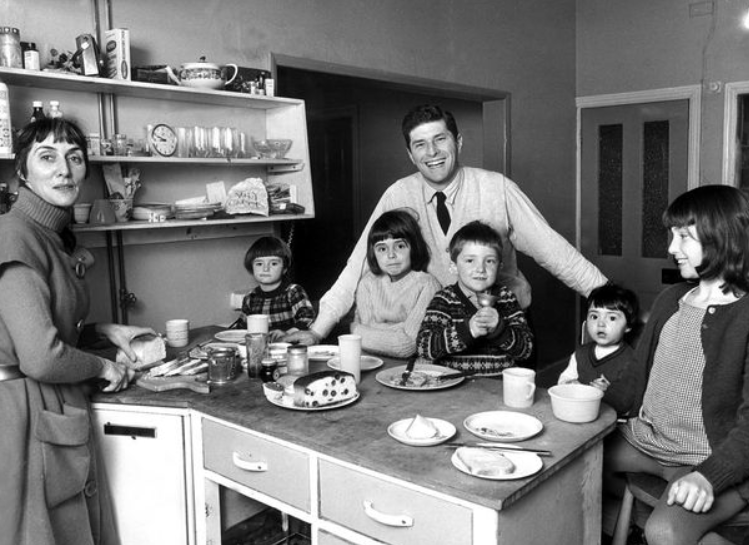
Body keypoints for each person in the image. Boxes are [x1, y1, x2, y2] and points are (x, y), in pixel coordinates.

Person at [285, 103, 606, 346]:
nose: (432, 152)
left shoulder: (497, 188)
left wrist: (608, 296)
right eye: (420, 144)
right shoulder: (398, 194)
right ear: (410, 154)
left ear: (459, 142)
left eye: (440, 139)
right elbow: (358, 267)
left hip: (503, 326)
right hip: (440, 334)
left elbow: (553, 251)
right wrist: (317, 329)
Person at [0, 118, 157, 545]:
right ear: (22, 171)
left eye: (74, 158)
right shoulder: (15, 236)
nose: (63, 170)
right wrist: (105, 367)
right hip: (23, 413)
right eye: (46, 157)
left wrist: (107, 331)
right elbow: (41, 356)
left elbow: (40, 324)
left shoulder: (48, 234)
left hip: (43, 402)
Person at [605, 185, 749, 545]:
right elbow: (636, 375)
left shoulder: (745, 314)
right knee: (569, 461)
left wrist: (708, 477)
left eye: (683, 236)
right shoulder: (672, 298)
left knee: (663, 531)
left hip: (706, 457)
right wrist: (593, 406)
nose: (671, 248)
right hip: (647, 442)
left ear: (722, 238)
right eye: (672, 235)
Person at [416, 221, 533, 375]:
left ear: (500, 267)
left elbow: (526, 350)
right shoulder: (444, 300)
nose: (480, 269)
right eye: (470, 260)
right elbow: (424, 348)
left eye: (489, 261)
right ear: (453, 266)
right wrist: (468, 330)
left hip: (499, 388)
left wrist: (500, 330)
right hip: (453, 387)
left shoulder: (506, 298)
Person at [351, 208, 441, 358]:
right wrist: (399, 331)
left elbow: (408, 345)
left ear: (414, 247)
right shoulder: (367, 283)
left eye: (400, 246)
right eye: (382, 248)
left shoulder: (427, 285)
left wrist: (357, 331)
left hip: (412, 367)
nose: (391, 255)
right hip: (370, 360)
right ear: (373, 253)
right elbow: (369, 338)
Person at [557, 283, 640, 416]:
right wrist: (569, 384)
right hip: (578, 414)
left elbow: (628, 404)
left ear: (628, 326)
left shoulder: (631, 361)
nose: (601, 324)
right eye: (594, 316)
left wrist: (608, 392)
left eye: (612, 318)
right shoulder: (580, 354)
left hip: (611, 423)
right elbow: (564, 380)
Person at [241, 236, 315, 341]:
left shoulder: (293, 291)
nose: (265, 268)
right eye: (259, 264)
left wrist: (287, 333)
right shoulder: (250, 297)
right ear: (251, 268)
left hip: (290, 346)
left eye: (274, 263)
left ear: (284, 268)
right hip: (260, 347)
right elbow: (243, 327)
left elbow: (307, 318)